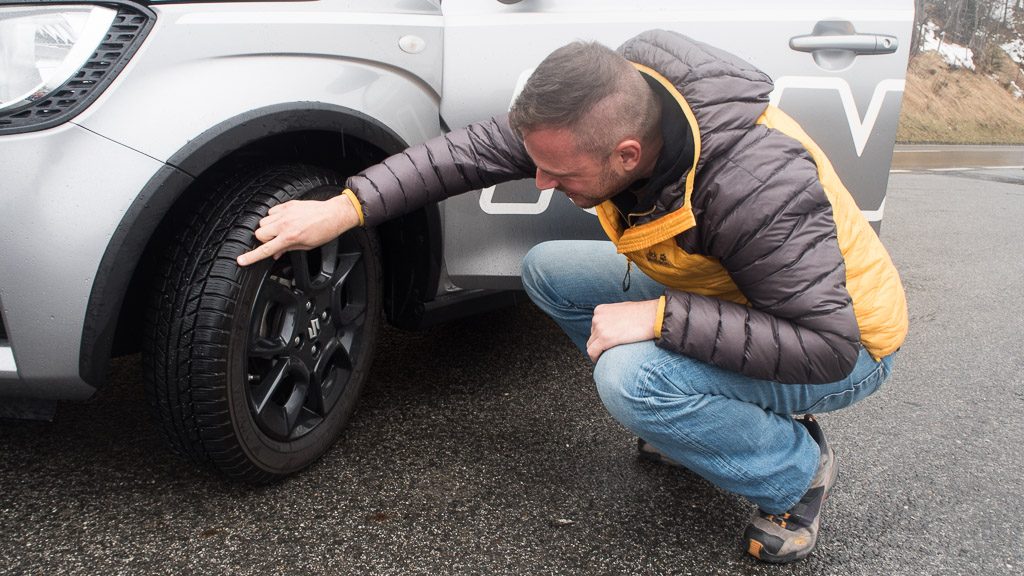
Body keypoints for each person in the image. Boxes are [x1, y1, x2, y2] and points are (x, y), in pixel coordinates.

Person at [237, 30, 908, 563]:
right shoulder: (614, 97)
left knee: (632, 380)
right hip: (736, 302)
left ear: (625, 153)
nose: (544, 184)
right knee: (550, 268)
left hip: (845, 348)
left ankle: (795, 473)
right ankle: (707, 420)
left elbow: (825, 346)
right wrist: (349, 206)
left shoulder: (756, 187)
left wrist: (660, 318)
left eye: (560, 174)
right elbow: (465, 154)